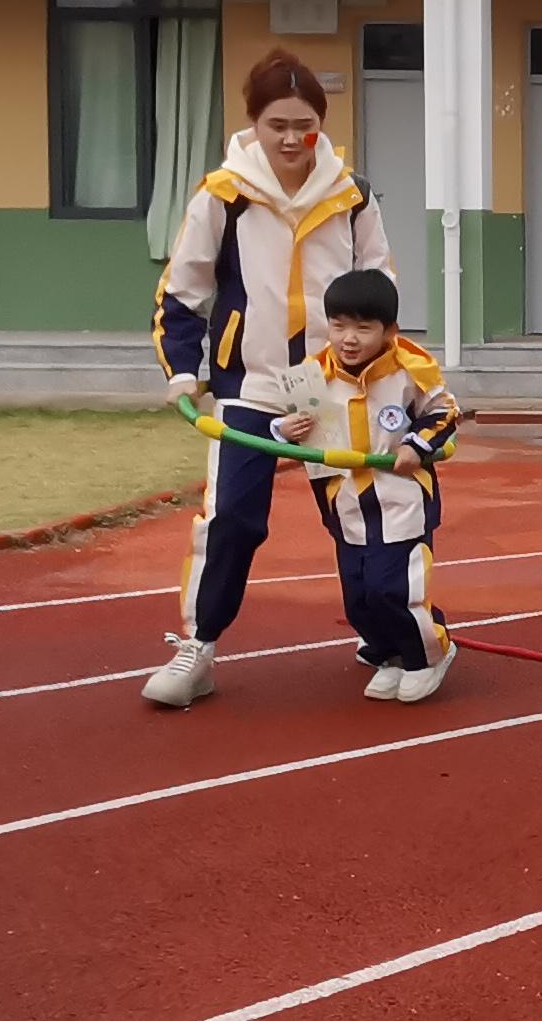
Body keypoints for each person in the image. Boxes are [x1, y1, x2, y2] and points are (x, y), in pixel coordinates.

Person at [144, 51, 394, 709]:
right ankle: (198, 647)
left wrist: (368, 367)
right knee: (230, 520)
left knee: (360, 518)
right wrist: (183, 372)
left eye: (304, 125)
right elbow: (183, 289)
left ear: (322, 124)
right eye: (276, 123)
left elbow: (382, 288)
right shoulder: (221, 195)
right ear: (253, 123)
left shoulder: (354, 196)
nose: (291, 139)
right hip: (250, 387)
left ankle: (385, 634)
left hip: (335, 386)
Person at [283, 268, 463, 702]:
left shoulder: (408, 368)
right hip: (344, 505)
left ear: (389, 331)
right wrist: (285, 427)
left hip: (399, 499)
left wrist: (416, 444)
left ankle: (427, 654)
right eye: (339, 325)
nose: (348, 338)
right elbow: (300, 431)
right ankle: (388, 654)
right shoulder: (311, 374)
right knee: (359, 598)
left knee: (393, 587)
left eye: (363, 328)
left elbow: (444, 413)